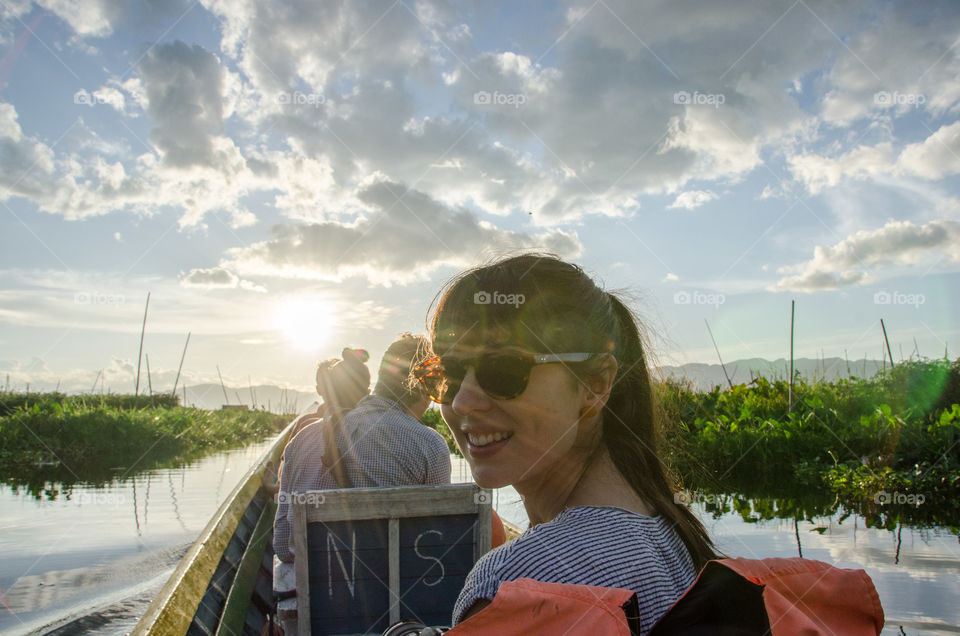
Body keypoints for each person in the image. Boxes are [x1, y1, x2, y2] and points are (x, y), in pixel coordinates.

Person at [413, 253, 717, 633]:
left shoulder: (517, 584)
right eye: (448, 374)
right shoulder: (676, 535)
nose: (462, 402)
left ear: (596, 384)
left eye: (504, 370)